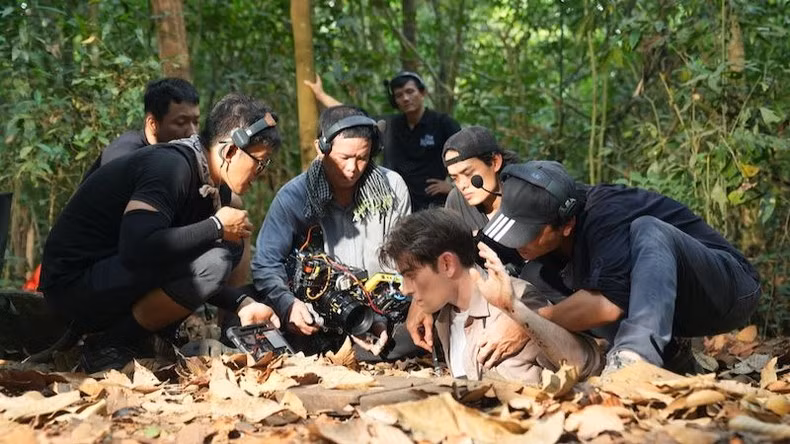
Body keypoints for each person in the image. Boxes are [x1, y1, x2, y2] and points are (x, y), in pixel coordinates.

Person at [40, 93, 281, 373]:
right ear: (229, 152)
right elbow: (137, 248)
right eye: (259, 162)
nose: (261, 172)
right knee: (219, 252)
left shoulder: (212, 185)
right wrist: (215, 226)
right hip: (72, 286)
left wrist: (242, 303)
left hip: (111, 276)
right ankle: (108, 345)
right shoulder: (171, 167)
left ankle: (136, 338)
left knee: (228, 247)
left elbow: (188, 267)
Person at [480, 160, 762, 373]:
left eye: (528, 233)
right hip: (667, 304)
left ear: (567, 224)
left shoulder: (605, 215)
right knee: (536, 274)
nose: (518, 243)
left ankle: (633, 355)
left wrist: (527, 323)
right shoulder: (541, 213)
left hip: (727, 289)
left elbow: (608, 305)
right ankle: (673, 360)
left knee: (649, 229)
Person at [251, 105, 413, 359]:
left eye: (362, 158)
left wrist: (381, 314)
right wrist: (288, 305)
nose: (352, 168)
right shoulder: (293, 197)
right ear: (321, 148)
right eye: (344, 158)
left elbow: (406, 262)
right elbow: (265, 263)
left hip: (380, 314)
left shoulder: (392, 187)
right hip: (316, 321)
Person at [379, 208, 602, 382]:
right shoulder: (444, 316)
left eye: (410, 275)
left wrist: (518, 312)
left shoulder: (515, 299)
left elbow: (587, 364)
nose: (405, 289)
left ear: (447, 263)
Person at [304, 72, 461, 211]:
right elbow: (354, 117)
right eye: (399, 95)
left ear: (422, 93)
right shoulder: (390, 125)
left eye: (410, 91)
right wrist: (321, 95)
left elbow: (465, 155)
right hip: (397, 202)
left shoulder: (443, 123)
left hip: (434, 204)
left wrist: (452, 187)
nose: (405, 98)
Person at [83, 77, 201, 179]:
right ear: (153, 124)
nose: (193, 132)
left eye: (196, 122)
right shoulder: (124, 154)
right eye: (181, 123)